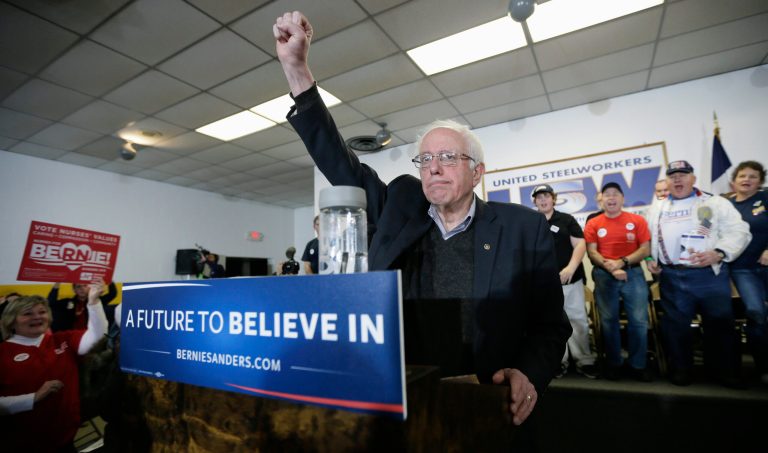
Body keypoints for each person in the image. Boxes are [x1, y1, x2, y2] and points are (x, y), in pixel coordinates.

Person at [273, 11, 571, 432]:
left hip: (486, 396)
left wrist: (529, 372)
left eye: (449, 157)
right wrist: (297, 70)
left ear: (477, 172)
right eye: (426, 158)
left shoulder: (523, 228)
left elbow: (549, 327)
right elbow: (342, 165)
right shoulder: (400, 205)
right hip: (404, 391)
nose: (434, 167)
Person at [646, 160, 751, 388]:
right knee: (676, 328)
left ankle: (725, 372)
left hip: (709, 276)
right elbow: (648, 239)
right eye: (672, 176)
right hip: (672, 277)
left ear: (693, 178)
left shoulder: (715, 202)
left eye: (683, 175)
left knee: (720, 325)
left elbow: (739, 230)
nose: (677, 179)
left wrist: (720, 252)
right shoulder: (657, 208)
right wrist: (651, 260)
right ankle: (682, 370)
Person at [0, 283, 108, 452]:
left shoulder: (62, 340)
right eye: (28, 313)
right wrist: (33, 398)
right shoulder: (3, 352)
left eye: (42, 312)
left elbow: (96, 337)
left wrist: (93, 302)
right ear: (11, 321)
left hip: (65, 440)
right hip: (20, 444)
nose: (37, 317)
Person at [584, 182, 652, 381]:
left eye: (615, 194)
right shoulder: (593, 223)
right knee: (608, 322)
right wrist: (610, 267)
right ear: (601, 199)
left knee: (639, 321)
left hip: (634, 274)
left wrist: (621, 263)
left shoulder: (637, 220)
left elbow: (645, 249)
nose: (611, 198)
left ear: (622, 199)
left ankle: (638, 365)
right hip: (604, 276)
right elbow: (591, 251)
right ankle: (614, 363)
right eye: (607, 195)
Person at [532, 185, 599, 379]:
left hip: (570, 280)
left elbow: (579, 244)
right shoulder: (531, 222)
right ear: (535, 201)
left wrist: (570, 268)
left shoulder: (566, 220)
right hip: (544, 285)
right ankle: (558, 362)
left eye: (546, 196)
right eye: (539, 197)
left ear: (553, 198)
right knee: (550, 325)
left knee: (577, 320)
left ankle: (584, 360)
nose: (543, 200)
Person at [726, 161, 768, 384]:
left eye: (753, 176)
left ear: (760, 181)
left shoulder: (766, 197)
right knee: (756, 312)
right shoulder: (725, 205)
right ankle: (763, 366)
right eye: (742, 175)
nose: (747, 179)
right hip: (742, 268)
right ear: (734, 180)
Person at [48, 277, 117, 331]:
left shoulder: (96, 301)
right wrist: (57, 283)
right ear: (74, 290)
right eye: (78, 287)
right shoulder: (68, 302)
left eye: (85, 286)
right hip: (73, 336)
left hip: (92, 335)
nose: (82, 289)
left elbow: (112, 294)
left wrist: (109, 279)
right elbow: (50, 303)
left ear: (89, 287)